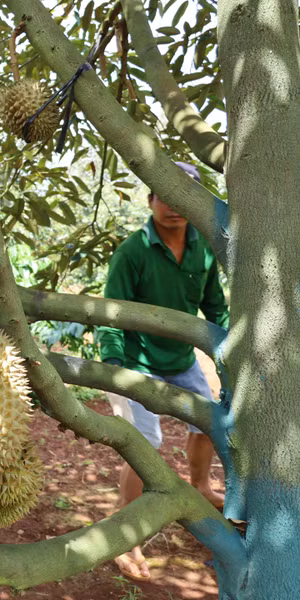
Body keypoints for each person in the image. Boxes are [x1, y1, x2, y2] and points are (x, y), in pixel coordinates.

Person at [96, 161, 229, 581]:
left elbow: (214, 304)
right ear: (150, 199)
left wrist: (229, 345)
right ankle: (127, 532)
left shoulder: (203, 248)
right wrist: (115, 367)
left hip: (181, 360)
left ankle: (201, 485)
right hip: (136, 361)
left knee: (209, 421)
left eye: (181, 197)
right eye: (163, 195)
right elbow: (110, 312)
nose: (173, 205)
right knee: (143, 443)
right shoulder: (133, 251)